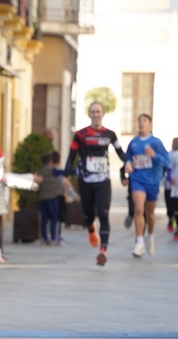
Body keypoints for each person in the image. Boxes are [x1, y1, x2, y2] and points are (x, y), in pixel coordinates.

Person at [63, 101, 127, 266]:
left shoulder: (110, 134)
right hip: (85, 180)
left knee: (104, 214)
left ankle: (103, 251)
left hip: (103, 180)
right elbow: (71, 156)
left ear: (103, 114)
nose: (96, 115)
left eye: (98, 111)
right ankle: (91, 229)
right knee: (88, 215)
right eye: (93, 112)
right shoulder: (81, 135)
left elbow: (121, 153)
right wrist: (65, 176)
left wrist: (129, 163)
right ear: (89, 114)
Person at [124, 114, 169, 258]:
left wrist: (154, 155)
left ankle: (150, 236)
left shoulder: (156, 142)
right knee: (138, 209)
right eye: (139, 121)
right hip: (137, 180)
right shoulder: (134, 142)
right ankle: (139, 242)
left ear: (150, 124)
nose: (142, 123)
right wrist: (128, 165)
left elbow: (167, 162)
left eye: (144, 121)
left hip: (153, 181)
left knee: (150, 213)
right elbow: (127, 159)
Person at [34, 153, 64, 245]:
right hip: (53, 197)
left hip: (43, 198)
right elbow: (62, 176)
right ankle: (53, 237)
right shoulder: (53, 170)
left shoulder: (40, 171)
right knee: (54, 217)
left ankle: (44, 238)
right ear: (50, 162)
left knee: (44, 218)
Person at [164, 136, 178, 234]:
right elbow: (167, 169)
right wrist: (169, 179)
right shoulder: (169, 155)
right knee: (170, 206)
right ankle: (171, 218)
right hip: (169, 186)